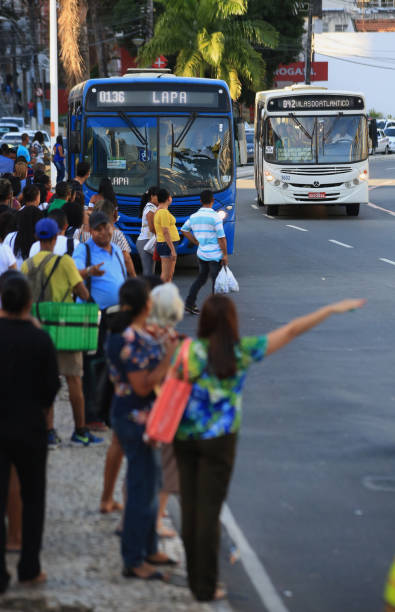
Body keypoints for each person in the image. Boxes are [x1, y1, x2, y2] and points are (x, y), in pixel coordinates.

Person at [172, 294, 366, 602]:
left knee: (190, 507)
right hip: (220, 441)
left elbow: (166, 385)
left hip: (184, 439)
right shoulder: (241, 353)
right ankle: (204, 586)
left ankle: (198, 579)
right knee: (208, 513)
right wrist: (328, 308)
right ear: (232, 322)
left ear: (204, 321)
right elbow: (290, 331)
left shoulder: (186, 351)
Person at [106, 278, 178, 580]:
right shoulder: (127, 341)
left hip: (147, 419)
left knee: (152, 484)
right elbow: (142, 384)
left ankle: (149, 548)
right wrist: (168, 358)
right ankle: (134, 559)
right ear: (146, 304)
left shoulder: (136, 335)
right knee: (140, 490)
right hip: (134, 420)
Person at [0, 272, 60, 594]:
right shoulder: (40, 339)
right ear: (29, 303)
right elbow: (51, 387)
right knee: (33, 497)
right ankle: (29, 567)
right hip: (29, 428)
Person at [21, 218, 103, 448]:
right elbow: (83, 293)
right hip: (64, 328)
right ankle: (80, 431)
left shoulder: (27, 265)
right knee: (74, 380)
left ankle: (48, 432)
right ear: (56, 237)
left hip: (37, 329)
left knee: (43, 383)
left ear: (38, 238)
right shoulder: (65, 262)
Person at [73, 210, 127, 430]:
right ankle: (92, 416)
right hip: (93, 315)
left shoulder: (115, 249)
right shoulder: (83, 249)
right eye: (99, 228)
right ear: (91, 231)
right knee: (93, 366)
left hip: (116, 315)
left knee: (113, 365)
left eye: (107, 227)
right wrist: (89, 272)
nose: (104, 231)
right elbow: (73, 274)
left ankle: (108, 413)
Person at [181, 189, 228, 315]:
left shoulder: (194, 216)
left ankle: (189, 303)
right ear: (212, 200)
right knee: (216, 282)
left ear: (200, 201)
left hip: (202, 253)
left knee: (201, 278)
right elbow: (221, 238)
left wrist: (195, 241)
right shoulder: (215, 217)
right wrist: (225, 254)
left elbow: (184, 230)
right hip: (215, 255)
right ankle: (216, 309)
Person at [94, 199, 136, 277]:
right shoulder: (117, 234)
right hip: (111, 276)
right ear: (112, 214)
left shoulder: (83, 231)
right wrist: (134, 276)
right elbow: (126, 258)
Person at [154, 188, 180, 282]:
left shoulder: (159, 211)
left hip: (164, 243)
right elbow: (165, 231)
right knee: (167, 275)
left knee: (168, 275)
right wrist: (173, 250)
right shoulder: (163, 212)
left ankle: (166, 295)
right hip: (167, 244)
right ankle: (159, 295)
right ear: (168, 198)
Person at [136, 186, 159, 275]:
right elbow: (152, 228)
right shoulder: (150, 209)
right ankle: (144, 288)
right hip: (146, 241)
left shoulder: (153, 207)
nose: (160, 199)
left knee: (150, 271)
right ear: (152, 196)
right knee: (148, 272)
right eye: (158, 196)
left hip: (148, 240)